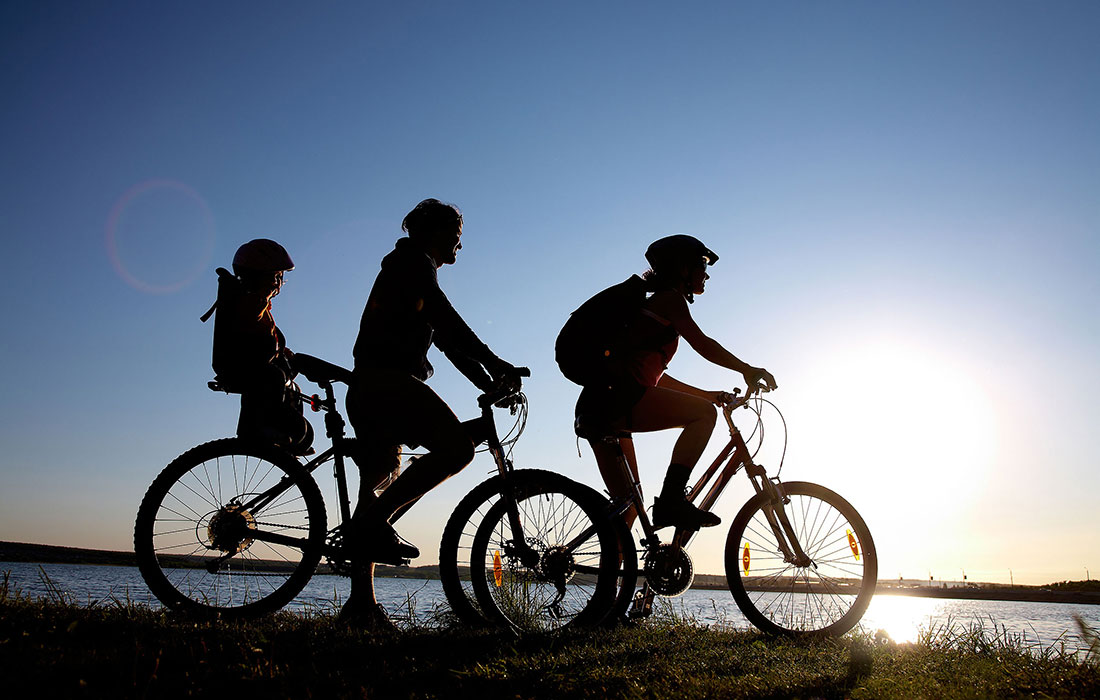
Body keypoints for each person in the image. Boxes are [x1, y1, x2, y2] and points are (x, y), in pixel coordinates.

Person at [342, 198, 522, 628]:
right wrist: (497, 363)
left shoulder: (409, 270)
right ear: (431, 233)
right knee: (457, 449)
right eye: (454, 237)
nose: (459, 246)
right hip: (389, 385)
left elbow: (445, 340)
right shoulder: (412, 264)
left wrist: (487, 383)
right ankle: (372, 524)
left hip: (370, 386)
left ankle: (361, 606)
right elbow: (449, 320)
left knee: (379, 483)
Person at [574, 234, 776, 530]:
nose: (706, 274)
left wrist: (708, 394)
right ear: (682, 268)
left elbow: (656, 378)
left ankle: (614, 575)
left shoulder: (655, 307)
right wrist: (746, 369)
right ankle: (671, 501)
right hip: (615, 400)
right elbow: (702, 343)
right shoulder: (670, 300)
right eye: (701, 265)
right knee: (704, 416)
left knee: (627, 510)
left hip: (602, 405)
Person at [211, 239, 313, 455]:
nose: (277, 283)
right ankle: (255, 431)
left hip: (254, 365)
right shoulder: (248, 301)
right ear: (255, 276)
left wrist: (283, 353)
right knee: (272, 377)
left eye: (279, 278)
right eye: (274, 277)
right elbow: (247, 325)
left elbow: (264, 335)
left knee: (289, 387)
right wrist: (261, 298)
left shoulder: (258, 304)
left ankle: (282, 436)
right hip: (241, 366)